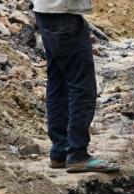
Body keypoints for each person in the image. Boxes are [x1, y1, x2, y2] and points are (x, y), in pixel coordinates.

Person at [33, 0, 119, 173]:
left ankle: (60, 152)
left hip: (45, 11)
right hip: (64, 14)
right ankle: (77, 154)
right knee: (82, 86)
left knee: (59, 82)